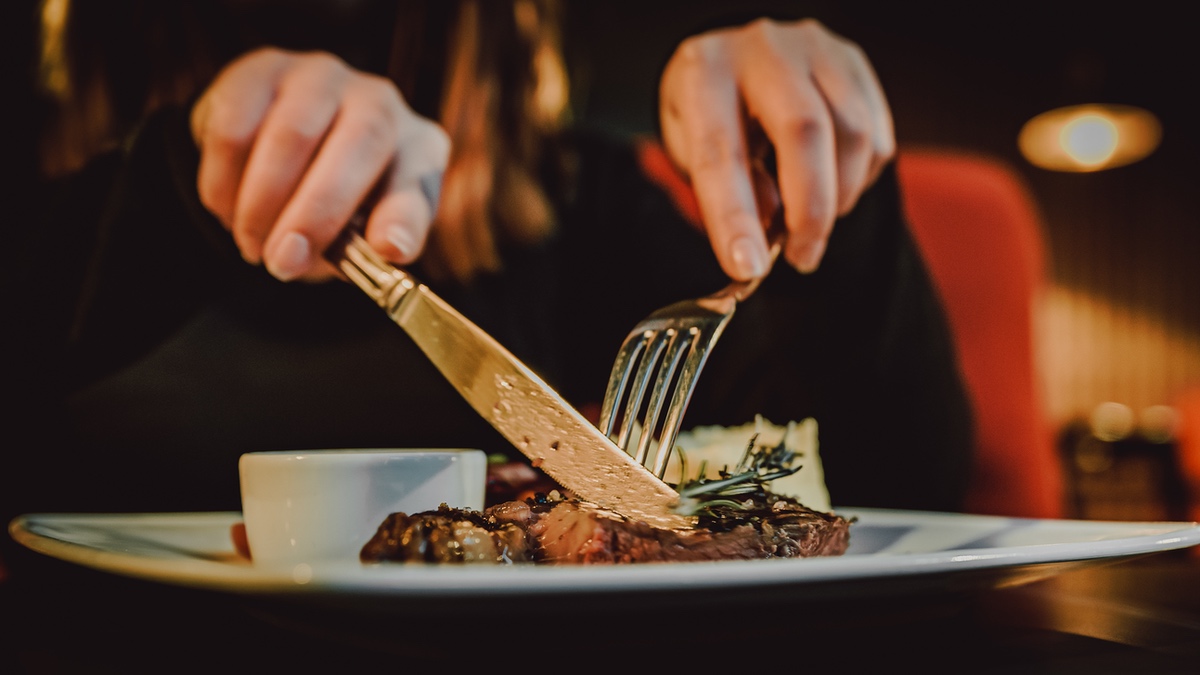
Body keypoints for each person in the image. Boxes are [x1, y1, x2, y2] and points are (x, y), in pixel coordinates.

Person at [2, 0, 973, 565]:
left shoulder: (583, 210)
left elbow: (902, 502)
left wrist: (827, 206)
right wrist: (156, 201)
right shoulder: (44, 218)